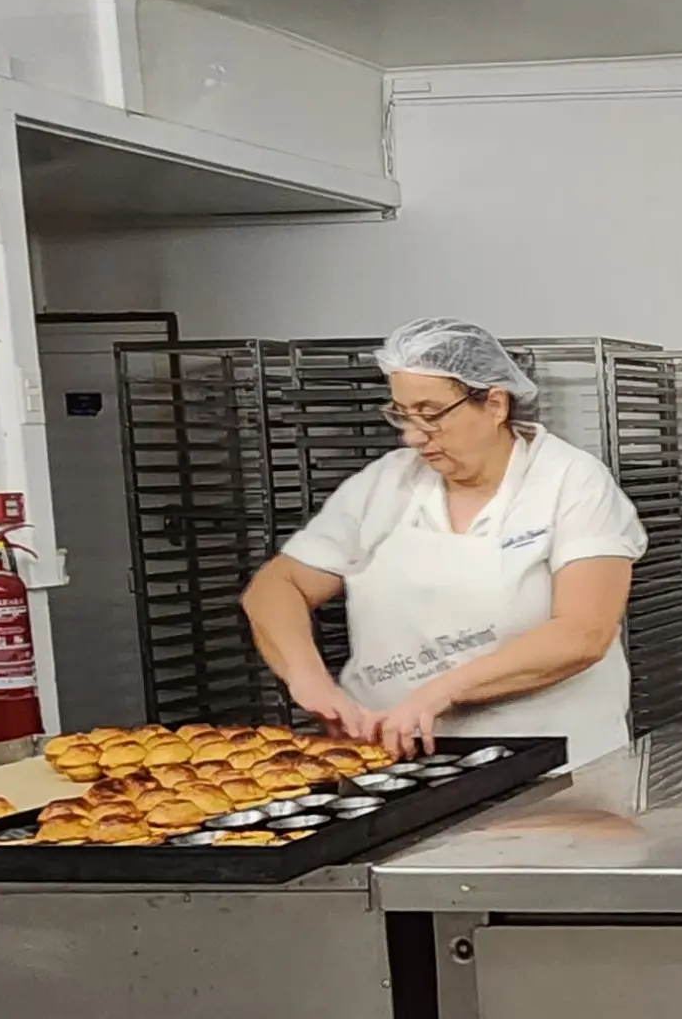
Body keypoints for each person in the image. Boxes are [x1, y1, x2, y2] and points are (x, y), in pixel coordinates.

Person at [243, 319, 649, 762]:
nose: (413, 435)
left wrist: (440, 692)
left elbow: (583, 632)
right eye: (402, 414)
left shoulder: (570, 481)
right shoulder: (386, 482)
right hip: (394, 757)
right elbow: (278, 586)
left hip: (550, 763)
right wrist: (308, 678)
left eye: (431, 414)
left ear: (495, 404)